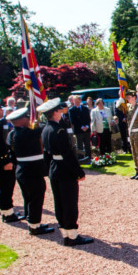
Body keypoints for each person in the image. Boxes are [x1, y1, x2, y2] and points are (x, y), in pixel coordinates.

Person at [38, 98, 93, 246]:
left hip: (55, 169)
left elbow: (47, 155)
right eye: (59, 110)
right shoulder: (59, 130)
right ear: (55, 112)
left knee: (60, 202)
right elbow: (68, 154)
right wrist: (78, 172)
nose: (62, 112)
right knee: (69, 203)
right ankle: (72, 235)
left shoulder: (46, 129)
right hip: (64, 170)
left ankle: (65, 231)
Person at [6, 107, 54, 235]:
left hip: (22, 170)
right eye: (27, 117)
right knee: (36, 197)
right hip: (32, 171)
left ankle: (31, 220)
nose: (29, 119)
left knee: (28, 197)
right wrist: (44, 118)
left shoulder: (12, 133)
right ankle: (35, 226)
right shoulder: (25, 133)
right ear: (21, 120)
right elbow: (43, 128)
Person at [69, 95, 92, 161]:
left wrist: (87, 126)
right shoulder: (71, 110)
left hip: (87, 130)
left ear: (80, 100)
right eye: (75, 101)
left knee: (87, 145)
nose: (76, 102)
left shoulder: (85, 108)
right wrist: (81, 127)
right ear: (73, 101)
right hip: (78, 130)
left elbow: (88, 118)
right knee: (79, 145)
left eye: (77, 100)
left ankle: (88, 158)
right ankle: (81, 158)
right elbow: (73, 121)